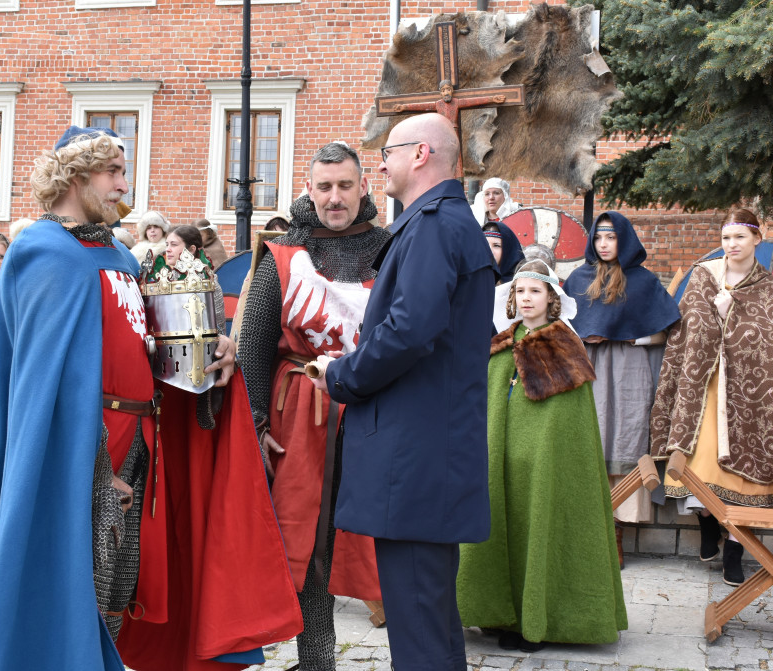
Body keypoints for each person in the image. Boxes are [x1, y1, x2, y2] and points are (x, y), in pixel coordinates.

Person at [0, 127, 300, 671]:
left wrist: (212, 350)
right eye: (113, 173)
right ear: (75, 175)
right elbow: (44, 381)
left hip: (138, 442)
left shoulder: (117, 256)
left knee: (118, 590)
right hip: (77, 452)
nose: (124, 186)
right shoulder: (44, 252)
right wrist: (96, 470)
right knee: (77, 587)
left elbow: (145, 347)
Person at [310, 114, 495, 670]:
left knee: (419, 626)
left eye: (387, 152)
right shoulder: (442, 223)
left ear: (419, 154)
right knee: (426, 621)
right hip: (427, 448)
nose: (381, 164)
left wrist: (341, 375)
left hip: (417, 455)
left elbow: (410, 331)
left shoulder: (434, 225)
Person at [237, 142, 387, 671]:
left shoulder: (391, 249)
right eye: (324, 187)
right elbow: (254, 347)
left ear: (363, 186)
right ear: (309, 189)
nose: (335, 197)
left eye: (345, 185)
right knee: (307, 541)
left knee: (378, 539)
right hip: (299, 414)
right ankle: (317, 659)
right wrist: (257, 422)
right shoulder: (282, 254)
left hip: (370, 409)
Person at [457, 259, 627, 651]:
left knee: (538, 530)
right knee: (499, 530)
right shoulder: (500, 345)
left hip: (544, 466)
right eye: (520, 290)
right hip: (500, 463)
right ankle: (500, 614)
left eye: (535, 291)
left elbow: (569, 426)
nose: (526, 298)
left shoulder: (565, 349)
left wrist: (546, 455)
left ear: (552, 298)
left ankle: (537, 621)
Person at [651, 208, 773, 586]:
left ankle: (736, 547)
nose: (731, 245)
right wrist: (717, 316)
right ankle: (706, 520)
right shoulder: (704, 276)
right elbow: (686, 330)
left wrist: (731, 315)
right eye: (725, 238)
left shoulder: (767, 287)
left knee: (744, 476)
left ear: (757, 239)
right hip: (704, 389)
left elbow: (765, 339)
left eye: (739, 237)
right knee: (699, 461)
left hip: (750, 397)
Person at [564, 212, 680, 558]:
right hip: (588, 367)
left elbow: (667, 331)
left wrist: (634, 338)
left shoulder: (642, 282)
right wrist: (585, 337)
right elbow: (562, 325)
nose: (603, 244)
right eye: (598, 237)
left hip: (629, 369)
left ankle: (616, 531)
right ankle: (588, 532)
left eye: (611, 237)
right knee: (591, 435)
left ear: (624, 239)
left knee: (627, 435)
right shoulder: (578, 279)